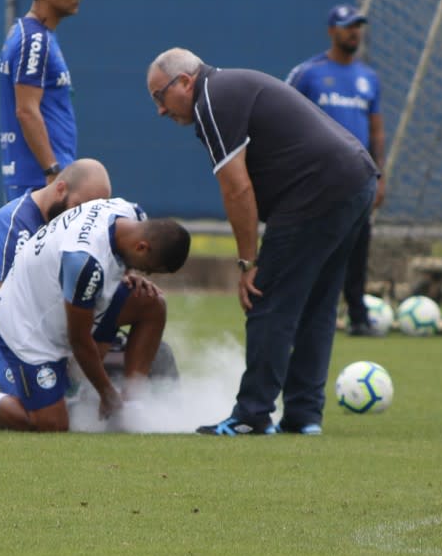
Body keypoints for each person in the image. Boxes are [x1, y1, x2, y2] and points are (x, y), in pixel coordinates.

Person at [147, 47, 377, 436]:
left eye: (160, 96)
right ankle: (304, 415)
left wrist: (247, 264)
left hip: (317, 189)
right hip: (357, 179)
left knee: (265, 297)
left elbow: (237, 189)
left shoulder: (211, 100)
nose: (161, 111)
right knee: (317, 306)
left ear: (185, 82)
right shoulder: (228, 87)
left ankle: (252, 414)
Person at [0, 198, 191, 433]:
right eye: (149, 268)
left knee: (151, 303)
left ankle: (133, 404)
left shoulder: (129, 211)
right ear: (142, 246)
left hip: (60, 299)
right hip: (26, 328)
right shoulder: (84, 262)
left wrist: (127, 275)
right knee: (51, 422)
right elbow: (79, 341)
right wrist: (107, 392)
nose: (145, 275)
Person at [0, 158, 114, 428]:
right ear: (60, 189)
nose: (80, 220)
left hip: (25, 334)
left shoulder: (69, 226)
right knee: (40, 412)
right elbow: (15, 309)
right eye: (77, 208)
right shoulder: (13, 226)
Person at [286, 2, 387, 336]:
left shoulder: (367, 78)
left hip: (359, 179)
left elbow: (376, 130)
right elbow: (284, 118)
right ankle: (301, 314)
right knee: (315, 248)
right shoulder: (308, 73)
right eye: (347, 26)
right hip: (318, 179)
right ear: (332, 31)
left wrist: (379, 176)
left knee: (358, 249)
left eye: (358, 25)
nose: (354, 32)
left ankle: (358, 316)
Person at [0, 0, 101, 201]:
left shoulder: (36, 34)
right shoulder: (35, 39)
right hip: (39, 181)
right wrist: (53, 171)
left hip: (39, 179)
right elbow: (26, 110)